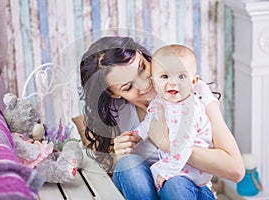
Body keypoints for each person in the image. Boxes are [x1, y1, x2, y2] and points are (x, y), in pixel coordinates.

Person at [74, 36, 245, 200]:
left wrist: (168, 145)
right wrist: (118, 156)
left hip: (189, 190)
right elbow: (122, 184)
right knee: (128, 164)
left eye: (142, 68)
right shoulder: (118, 113)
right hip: (147, 190)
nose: (145, 84)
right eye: (128, 87)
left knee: (175, 184)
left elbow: (236, 170)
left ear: (141, 54)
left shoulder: (192, 92)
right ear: (114, 94)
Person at [133, 44, 213, 192]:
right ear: (154, 81)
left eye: (182, 76)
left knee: (163, 177)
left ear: (193, 82)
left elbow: (183, 145)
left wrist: (168, 170)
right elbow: (149, 121)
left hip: (193, 169)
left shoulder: (190, 109)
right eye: (164, 76)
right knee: (143, 172)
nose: (173, 82)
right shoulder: (160, 102)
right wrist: (137, 135)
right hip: (174, 162)